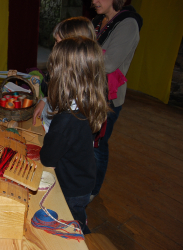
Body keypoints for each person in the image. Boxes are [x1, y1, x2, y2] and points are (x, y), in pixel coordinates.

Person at [40, 37, 108, 234]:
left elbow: (47, 157)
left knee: (70, 224)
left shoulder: (66, 119)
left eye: (53, 68)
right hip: (82, 179)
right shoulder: (86, 104)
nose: (49, 73)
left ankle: (81, 236)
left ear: (64, 75)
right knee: (76, 214)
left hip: (70, 187)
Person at [90, 0, 143, 201]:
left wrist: (78, 49)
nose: (94, 1)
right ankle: (82, 181)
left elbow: (110, 63)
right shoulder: (98, 21)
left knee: (98, 145)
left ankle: (93, 190)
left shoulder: (128, 23)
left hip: (107, 97)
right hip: (89, 92)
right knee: (85, 142)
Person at [32, 16, 96, 130]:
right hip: (50, 126)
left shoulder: (81, 98)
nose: (54, 47)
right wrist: (44, 100)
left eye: (57, 42)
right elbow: (49, 90)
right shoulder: (61, 70)